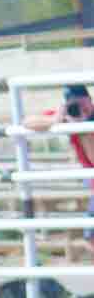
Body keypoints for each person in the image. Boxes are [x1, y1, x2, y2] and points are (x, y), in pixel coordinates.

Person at [23, 84, 94, 260]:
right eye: (74, 104)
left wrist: (83, 128)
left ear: (90, 100)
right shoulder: (69, 116)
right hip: (91, 180)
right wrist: (55, 120)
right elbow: (27, 122)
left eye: (82, 102)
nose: (80, 108)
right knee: (91, 236)